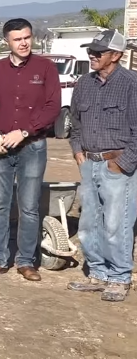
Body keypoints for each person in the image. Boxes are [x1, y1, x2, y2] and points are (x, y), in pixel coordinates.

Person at [0, 17, 61, 281]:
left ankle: (26, 262)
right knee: (0, 205)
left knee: (29, 207)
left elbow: (53, 107)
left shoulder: (45, 68)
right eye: (17, 39)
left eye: (27, 37)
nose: (23, 43)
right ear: (7, 42)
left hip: (32, 147)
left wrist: (24, 131)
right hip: (0, 149)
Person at [65, 29, 137, 302]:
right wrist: (77, 152)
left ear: (116, 55)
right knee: (88, 223)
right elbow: (75, 123)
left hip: (117, 164)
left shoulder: (132, 83)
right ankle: (97, 273)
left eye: (99, 52)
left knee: (117, 224)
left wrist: (122, 164)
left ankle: (119, 277)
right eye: (90, 51)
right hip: (89, 163)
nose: (92, 55)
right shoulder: (85, 83)